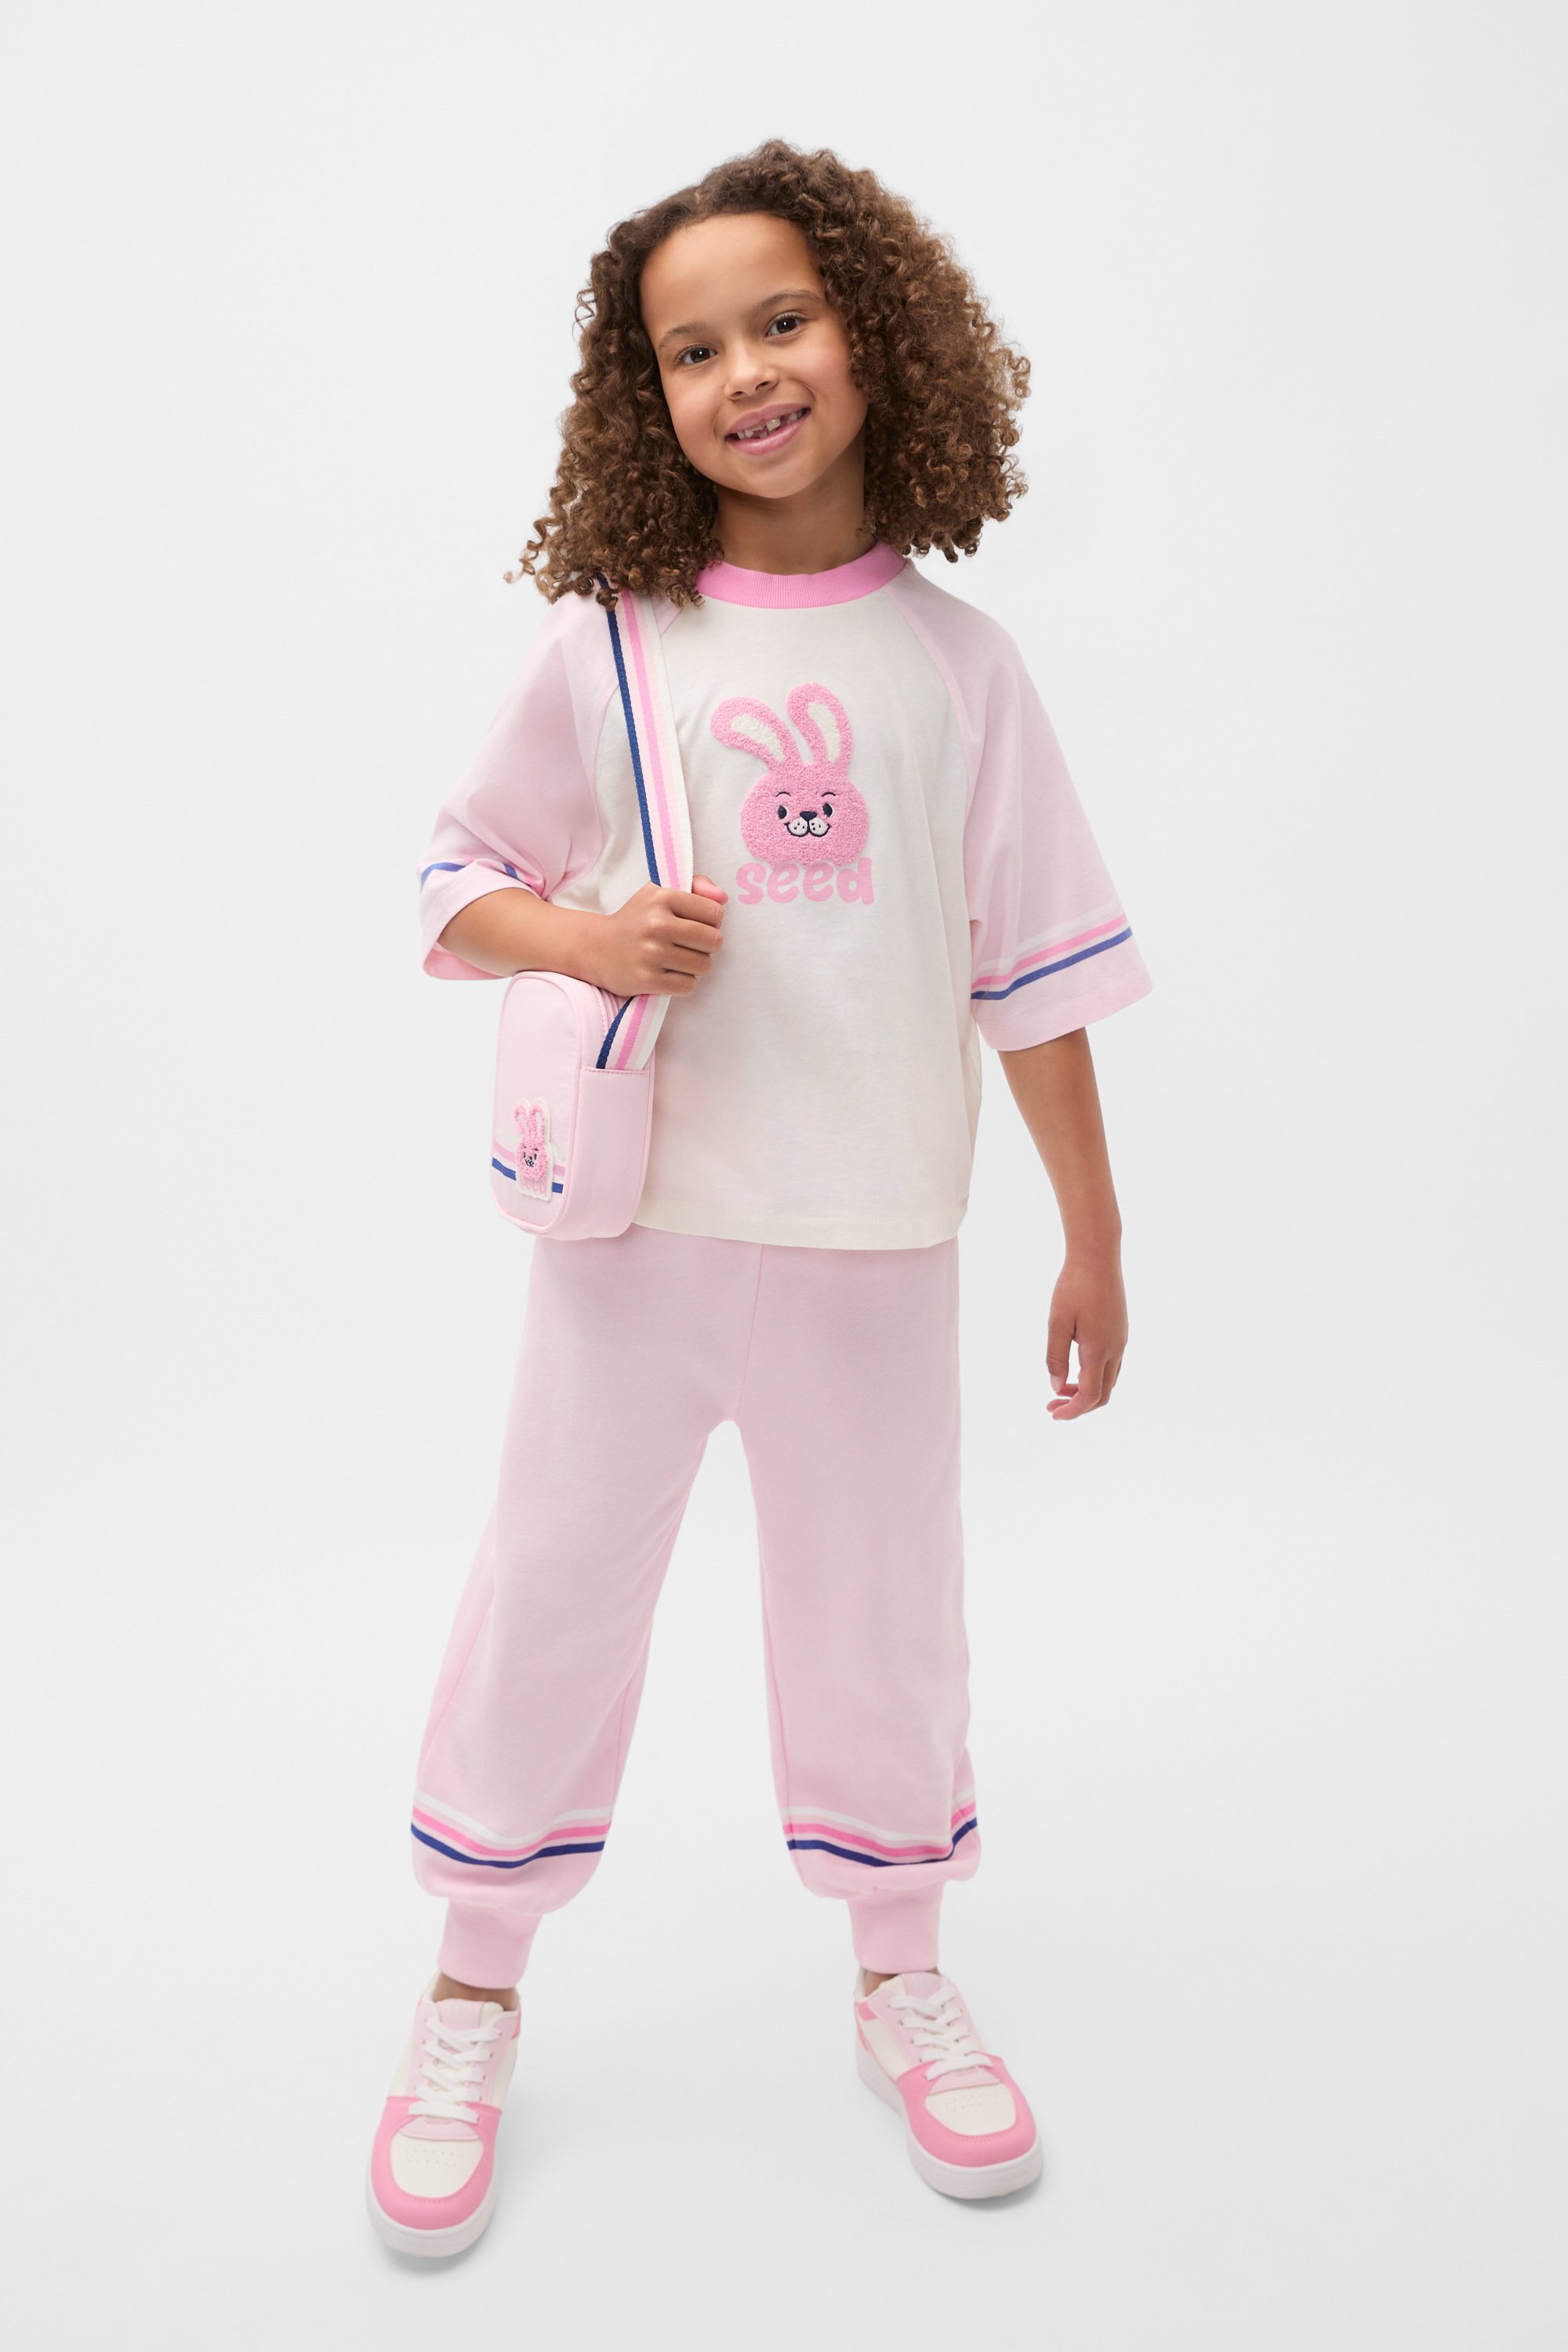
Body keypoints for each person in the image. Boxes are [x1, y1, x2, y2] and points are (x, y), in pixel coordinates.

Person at [367, 139, 1152, 2256]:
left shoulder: (963, 668)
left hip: (876, 1243)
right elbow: (451, 881)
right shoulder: (613, 644)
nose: (746, 374)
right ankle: (472, 1990)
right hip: (635, 1244)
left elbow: (1036, 971)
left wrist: (1091, 1234)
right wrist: (590, 940)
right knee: (554, 1595)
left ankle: (902, 1976)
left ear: (878, 339)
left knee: (883, 1616)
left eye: (782, 321)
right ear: (650, 398)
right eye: (692, 349)